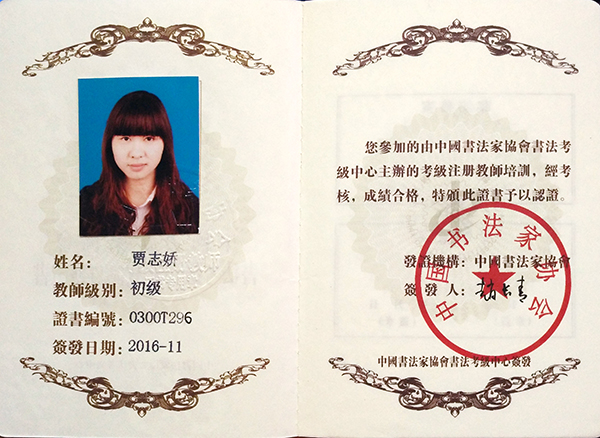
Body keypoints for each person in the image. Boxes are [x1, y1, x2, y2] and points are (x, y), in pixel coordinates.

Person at [80, 90, 199, 236]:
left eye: (149, 138)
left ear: (165, 144)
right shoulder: (85, 204)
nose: (136, 154)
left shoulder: (189, 208)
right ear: (109, 144)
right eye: (126, 138)